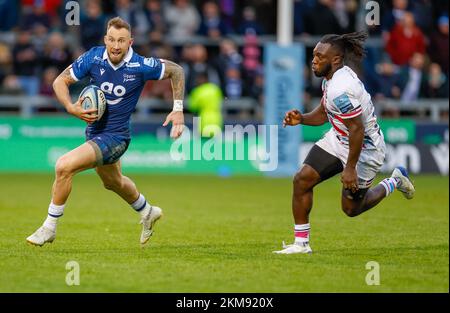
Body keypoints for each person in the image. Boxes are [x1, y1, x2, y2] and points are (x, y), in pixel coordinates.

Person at [26, 17, 185, 247]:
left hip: (116, 137)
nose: (116, 46)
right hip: (94, 133)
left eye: (121, 40)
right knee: (113, 182)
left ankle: (49, 227)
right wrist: (71, 107)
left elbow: (176, 70)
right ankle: (148, 211)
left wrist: (177, 110)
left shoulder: (140, 65)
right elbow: (60, 81)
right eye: (111, 39)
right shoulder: (94, 57)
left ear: (130, 42)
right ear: (105, 39)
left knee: (64, 166)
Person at [274, 32, 415, 255]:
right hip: (339, 139)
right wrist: (301, 118)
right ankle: (301, 244)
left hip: (365, 149)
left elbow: (357, 129)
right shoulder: (331, 79)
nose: (314, 61)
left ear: (336, 60)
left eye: (320, 57)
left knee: (350, 209)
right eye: (314, 55)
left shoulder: (341, 88)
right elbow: (323, 113)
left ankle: (393, 181)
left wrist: (350, 168)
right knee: (302, 179)